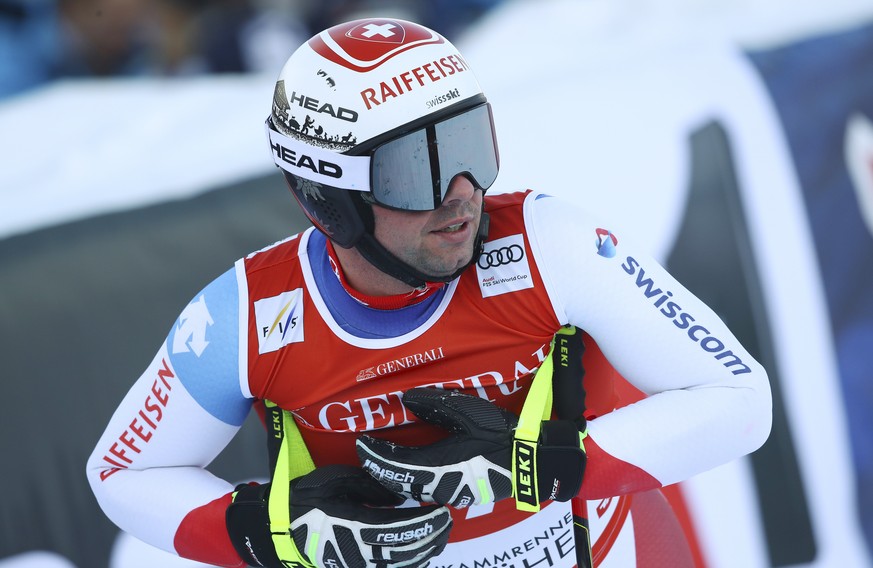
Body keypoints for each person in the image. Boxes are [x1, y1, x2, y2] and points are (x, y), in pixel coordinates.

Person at [86, 17, 772, 568]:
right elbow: (122, 473)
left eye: (471, 143)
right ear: (328, 198)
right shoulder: (248, 315)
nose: (462, 194)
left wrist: (542, 466)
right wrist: (273, 531)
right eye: (415, 169)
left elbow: (741, 400)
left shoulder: (550, 244)